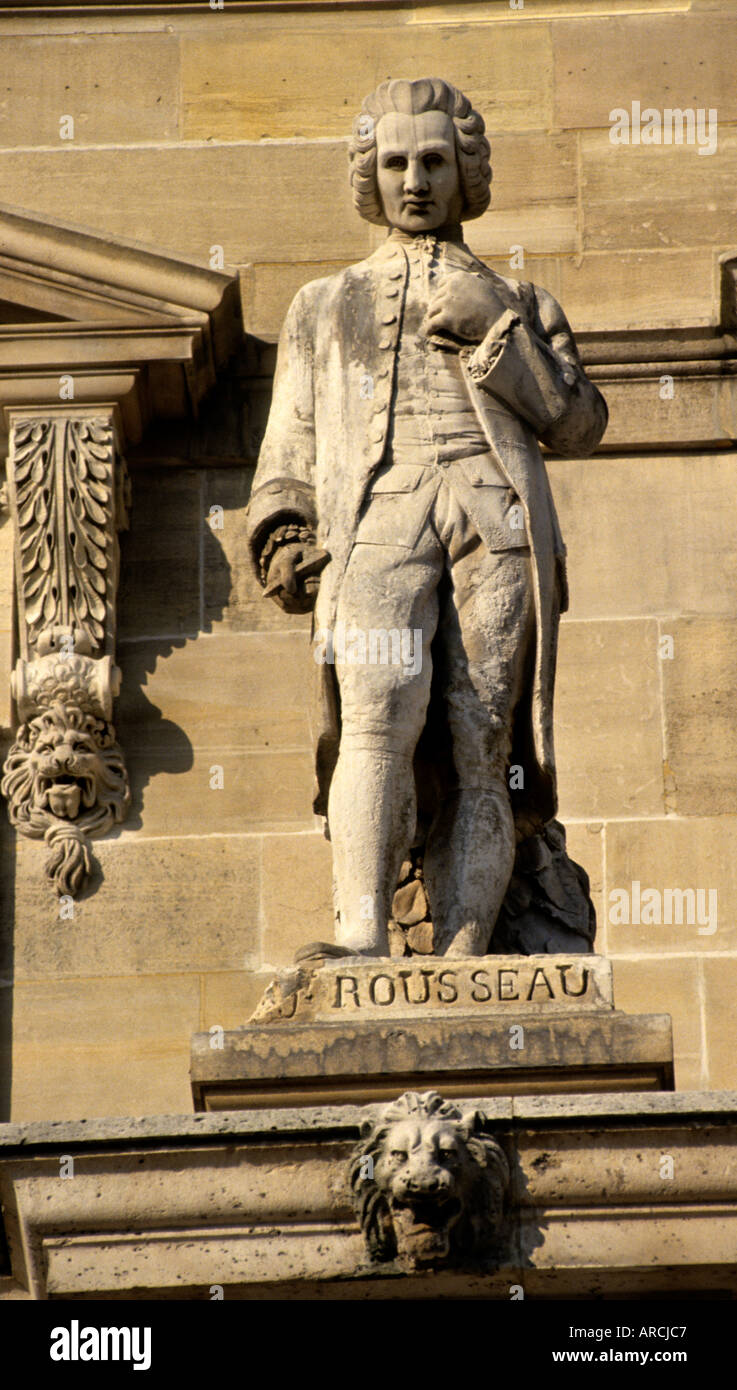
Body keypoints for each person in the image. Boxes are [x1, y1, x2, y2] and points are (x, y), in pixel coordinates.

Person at [247, 77, 607, 958]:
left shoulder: (519, 298)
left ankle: (466, 952)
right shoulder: (323, 305)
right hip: (378, 513)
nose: (414, 180)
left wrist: (497, 330)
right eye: (396, 161)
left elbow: (579, 423)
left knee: (484, 734)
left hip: (495, 515)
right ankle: (363, 936)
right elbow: (291, 433)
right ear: (369, 173)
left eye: (435, 161)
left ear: (466, 171)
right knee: (375, 715)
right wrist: (284, 526)